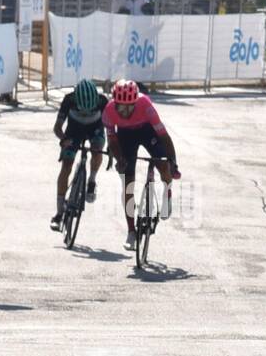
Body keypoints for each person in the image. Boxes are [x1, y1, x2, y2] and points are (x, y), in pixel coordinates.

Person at [103, 80, 180, 252]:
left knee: (162, 164)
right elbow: (112, 140)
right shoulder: (108, 112)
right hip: (125, 136)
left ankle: (167, 190)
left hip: (147, 130)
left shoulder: (145, 104)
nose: (125, 112)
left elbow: (164, 136)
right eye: (121, 108)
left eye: (130, 107)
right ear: (114, 103)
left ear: (135, 102)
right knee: (127, 184)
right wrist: (119, 160)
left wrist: (172, 162)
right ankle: (131, 232)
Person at [51, 79, 106, 231]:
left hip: (95, 129)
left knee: (98, 148)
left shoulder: (102, 101)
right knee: (66, 165)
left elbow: (111, 127)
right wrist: (63, 139)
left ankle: (92, 180)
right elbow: (57, 127)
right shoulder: (69, 99)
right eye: (83, 109)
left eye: (90, 109)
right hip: (74, 131)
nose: (86, 112)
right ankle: (59, 213)